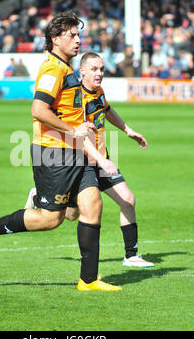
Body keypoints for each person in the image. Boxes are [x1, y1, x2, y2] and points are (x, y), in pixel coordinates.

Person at [0, 10, 122, 292]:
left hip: (76, 151)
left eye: (78, 34)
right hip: (53, 154)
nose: (78, 39)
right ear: (55, 38)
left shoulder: (67, 67)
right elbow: (38, 109)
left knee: (93, 205)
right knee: (51, 219)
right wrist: (72, 129)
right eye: (72, 35)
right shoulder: (53, 69)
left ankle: (89, 280)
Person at [25, 52, 154, 268]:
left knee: (128, 200)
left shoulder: (99, 92)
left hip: (101, 159)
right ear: (82, 70)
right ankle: (39, 196)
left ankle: (131, 255)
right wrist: (98, 159)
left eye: (101, 69)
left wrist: (128, 130)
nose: (99, 73)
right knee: (72, 214)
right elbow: (74, 133)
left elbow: (108, 110)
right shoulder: (75, 97)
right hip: (82, 161)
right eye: (94, 69)